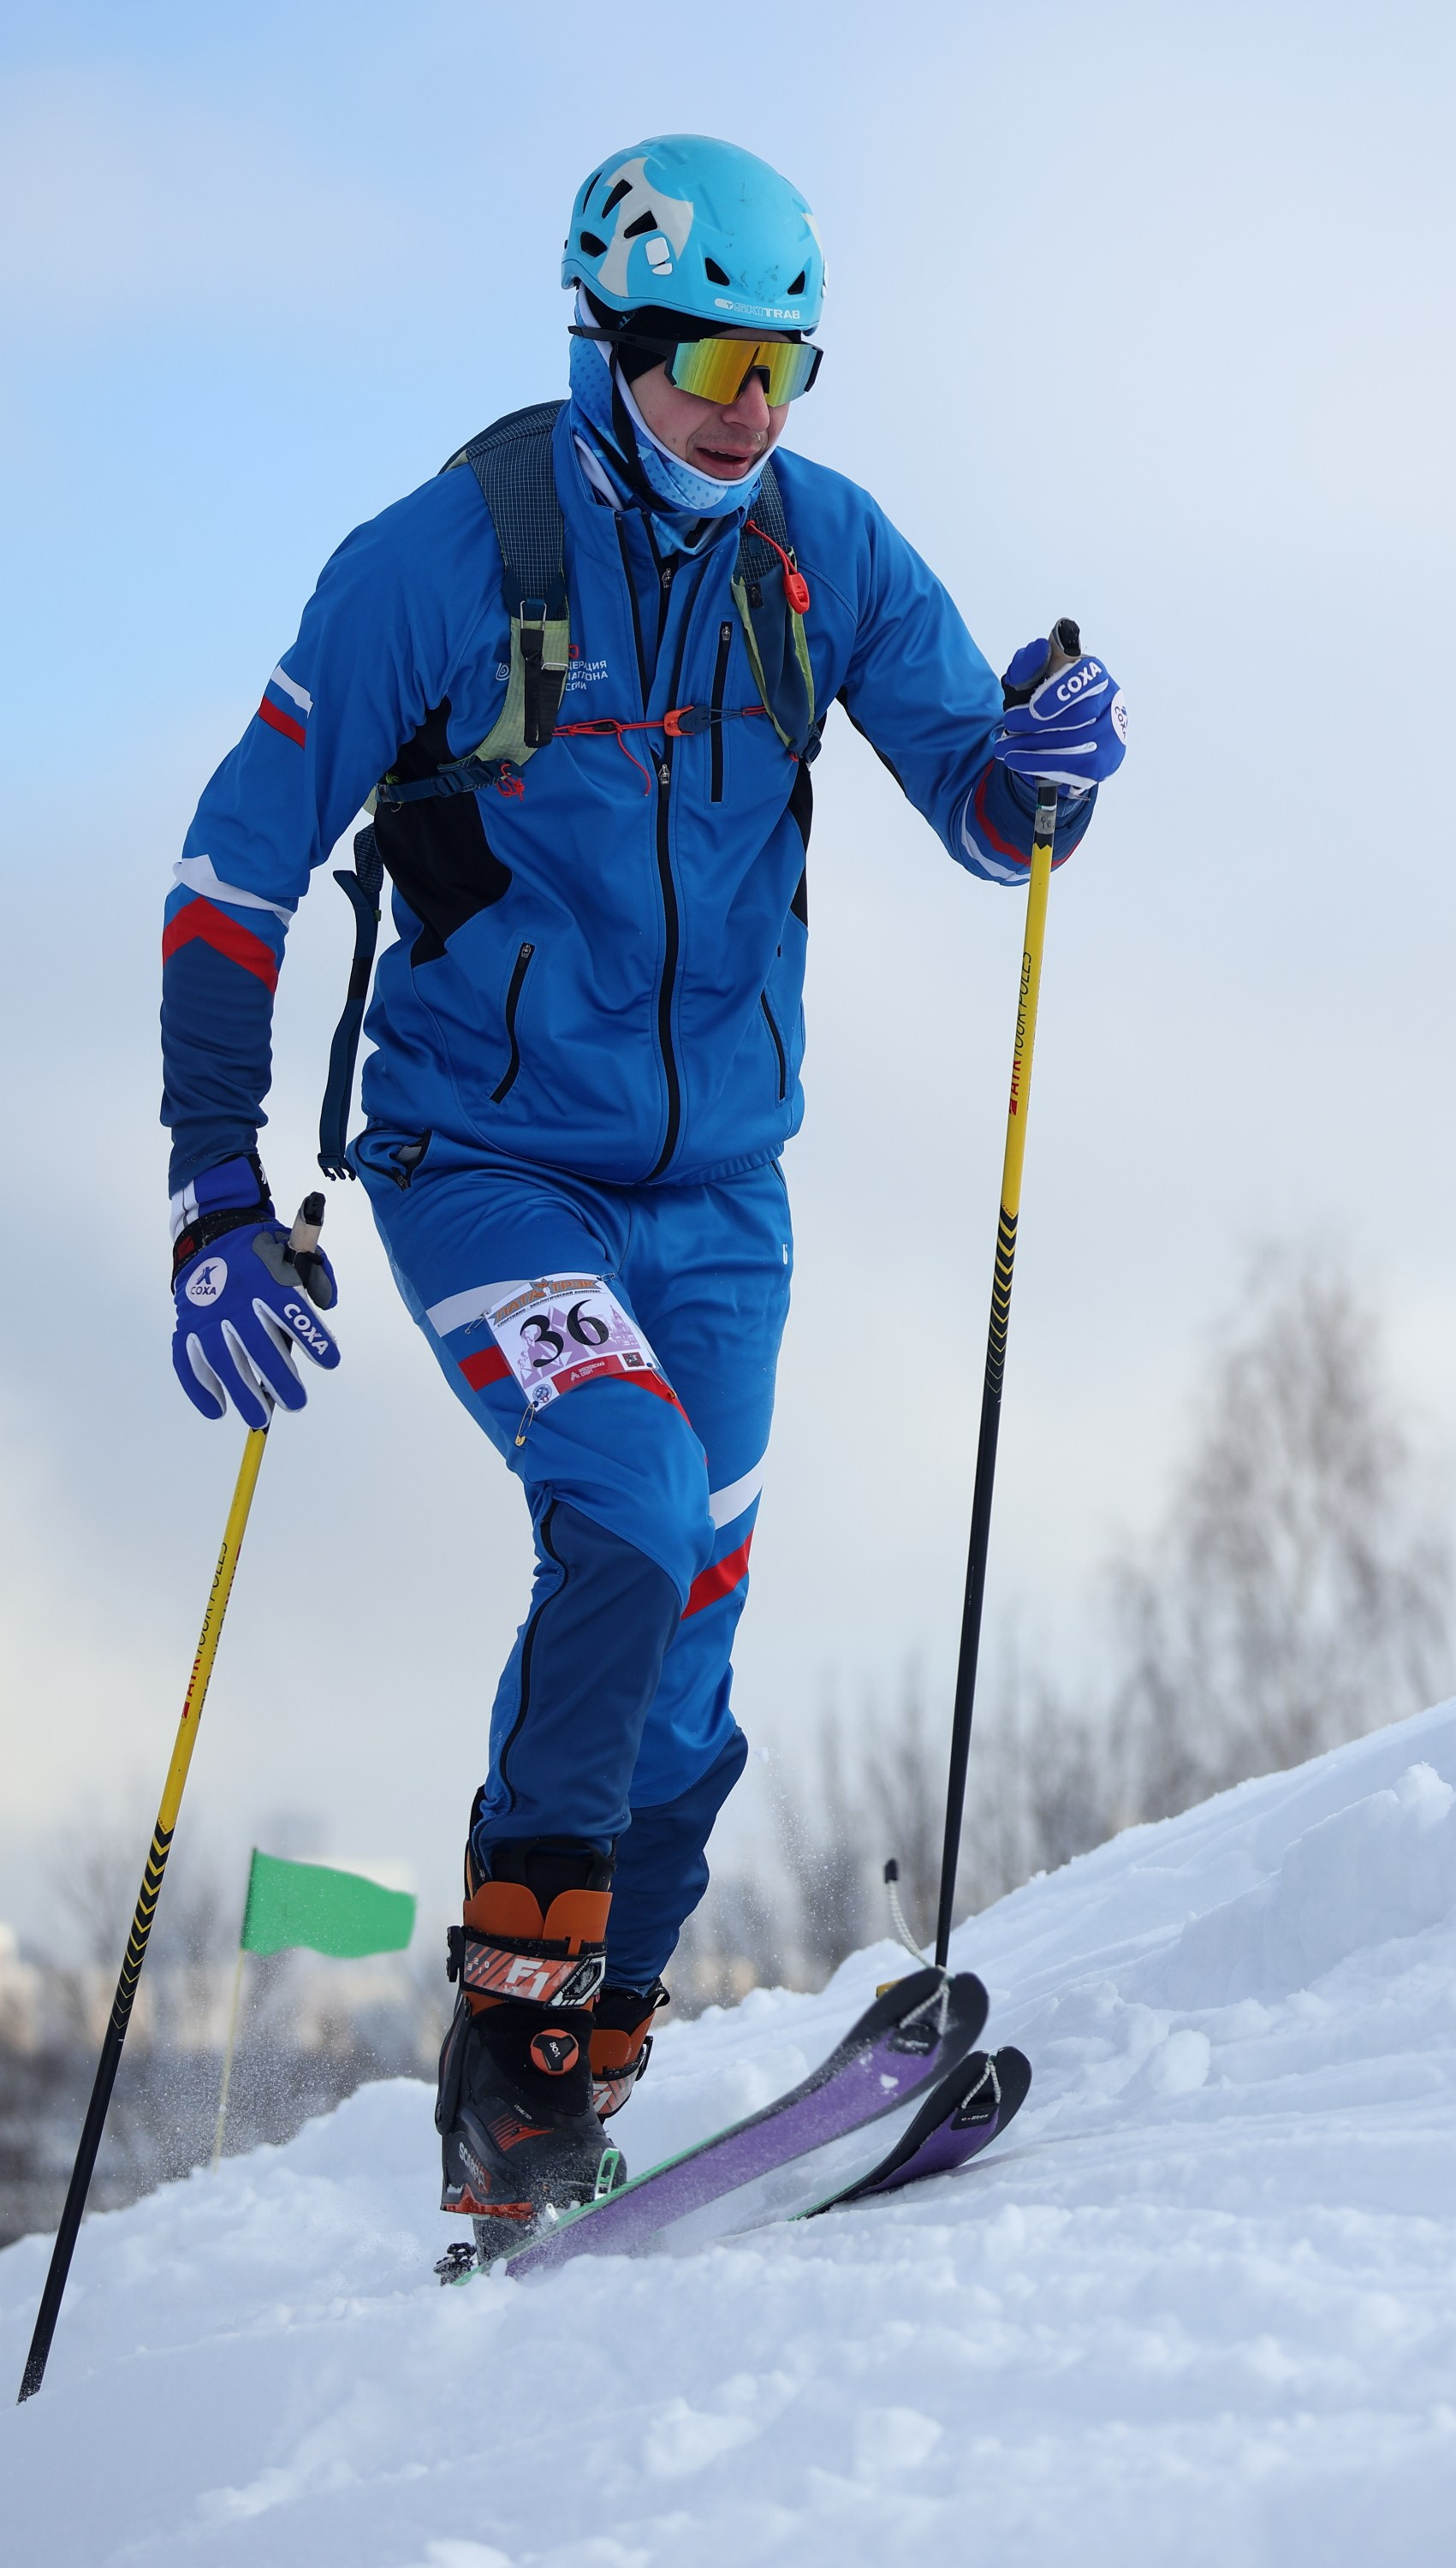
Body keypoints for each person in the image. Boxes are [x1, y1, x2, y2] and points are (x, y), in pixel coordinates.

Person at [159, 134, 1126, 2245]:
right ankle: (505, 2058)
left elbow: (977, 791)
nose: (744, 407)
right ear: (604, 331)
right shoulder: (441, 559)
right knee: (619, 1501)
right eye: (702, 357)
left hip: (719, 1197)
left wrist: (1034, 773)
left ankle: (582, 2077)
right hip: (486, 1164)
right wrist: (212, 1194)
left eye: (784, 363)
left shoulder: (819, 549)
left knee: (687, 1646)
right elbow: (232, 876)